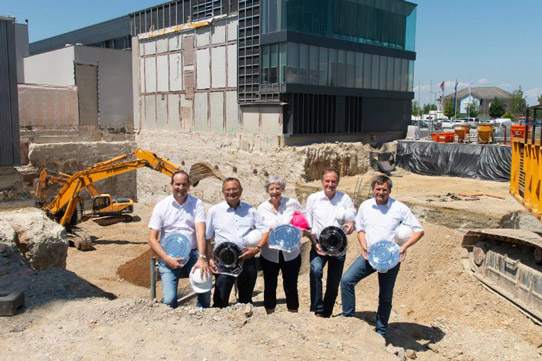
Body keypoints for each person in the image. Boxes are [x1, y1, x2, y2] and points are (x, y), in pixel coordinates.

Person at [341, 174, 424, 337]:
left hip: (390, 259)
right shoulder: (365, 206)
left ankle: (381, 330)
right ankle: (348, 318)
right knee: (347, 280)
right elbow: (361, 229)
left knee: (385, 296)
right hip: (369, 255)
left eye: (384, 190)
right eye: (378, 189)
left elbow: (419, 230)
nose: (381, 192)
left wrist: (405, 246)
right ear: (373, 190)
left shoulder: (399, 208)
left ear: (390, 191)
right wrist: (363, 245)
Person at [148, 170, 210, 308]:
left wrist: (201, 257)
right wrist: (166, 258)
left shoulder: (197, 204)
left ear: (189, 185)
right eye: (177, 184)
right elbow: (152, 239)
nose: (180, 188)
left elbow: (201, 232)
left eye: (184, 184)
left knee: (205, 292)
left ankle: (201, 320)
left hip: (193, 254)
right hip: (168, 255)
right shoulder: (161, 206)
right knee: (169, 300)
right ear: (171, 185)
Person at [206, 177, 269, 308]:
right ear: (223, 192)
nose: (231, 192)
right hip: (223, 263)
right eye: (228, 190)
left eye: (235, 189)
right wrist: (210, 259)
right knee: (220, 301)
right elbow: (207, 238)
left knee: (246, 301)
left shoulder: (250, 210)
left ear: (241, 190)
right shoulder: (214, 211)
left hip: (247, 259)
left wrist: (256, 249)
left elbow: (265, 232)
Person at [306, 168, 356, 318]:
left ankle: (326, 313)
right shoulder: (313, 199)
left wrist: (350, 225)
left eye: (333, 181)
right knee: (315, 270)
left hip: (339, 247)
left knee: (334, 282)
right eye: (327, 181)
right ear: (322, 182)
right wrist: (314, 243)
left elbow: (352, 219)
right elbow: (308, 226)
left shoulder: (345, 199)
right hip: (319, 244)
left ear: (338, 182)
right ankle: (318, 308)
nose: (330, 184)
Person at [257, 175, 304, 314]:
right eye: (272, 189)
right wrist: (266, 231)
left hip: (291, 253)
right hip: (270, 254)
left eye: (277, 188)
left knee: (291, 285)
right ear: (268, 191)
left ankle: (293, 313)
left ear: (282, 189)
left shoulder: (292, 203)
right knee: (270, 285)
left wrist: (297, 229)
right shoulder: (262, 208)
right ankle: (270, 315)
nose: (275, 191)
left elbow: (303, 221)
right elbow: (258, 228)